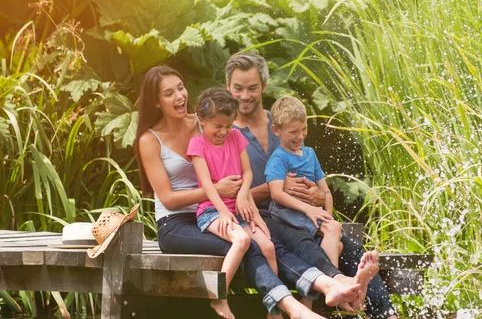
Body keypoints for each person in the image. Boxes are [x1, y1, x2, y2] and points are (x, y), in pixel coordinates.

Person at [134, 66, 364, 319]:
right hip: (177, 223)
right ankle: (291, 308)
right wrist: (218, 191)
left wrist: (245, 197)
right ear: (156, 101)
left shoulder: (207, 121)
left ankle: (328, 284)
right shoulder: (150, 139)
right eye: (169, 93)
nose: (179, 96)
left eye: (180, 88)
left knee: (272, 241)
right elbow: (167, 198)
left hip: (224, 211)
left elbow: (236, 159)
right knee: (248, 245)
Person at [225, 52, 397, 318]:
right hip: (262, 221)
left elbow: (311, 175)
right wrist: (276, 188)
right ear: (228, 87)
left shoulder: (284, 122)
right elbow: (229, 192)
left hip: (298, 215)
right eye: (238, 88)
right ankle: (336, 287)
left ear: (264, 87)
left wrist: (317, 196)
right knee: (306, 244)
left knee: (348, 245)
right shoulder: (225, 134)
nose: (245, 96)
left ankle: (386, 314)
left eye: (252, 88)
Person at [187, 87, 277, 318]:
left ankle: (274, 308)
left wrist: (240, 196)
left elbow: (247, 173)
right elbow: (207, 185)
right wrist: (223, 212)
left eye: (228, 125)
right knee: (242, 239)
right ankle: (218, 296)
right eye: (218, 126)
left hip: (237, 207)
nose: (224, 132)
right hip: (211, 211)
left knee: (267, 246)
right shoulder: (198, 145)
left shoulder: (236, 136)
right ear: (202, 120)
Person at [266, 96, 343, 267]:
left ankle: (314, 293)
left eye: (304, 129)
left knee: (337, 242)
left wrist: (327, 216)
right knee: (334, 229)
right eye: (293, 132)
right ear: (276, 130)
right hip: (288, 214)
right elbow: (276, 193)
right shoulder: (279, 158)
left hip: (309, 213)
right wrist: (309, 209)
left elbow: (326, 192)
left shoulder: (310, 154)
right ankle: (334, 282)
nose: (300, 136)